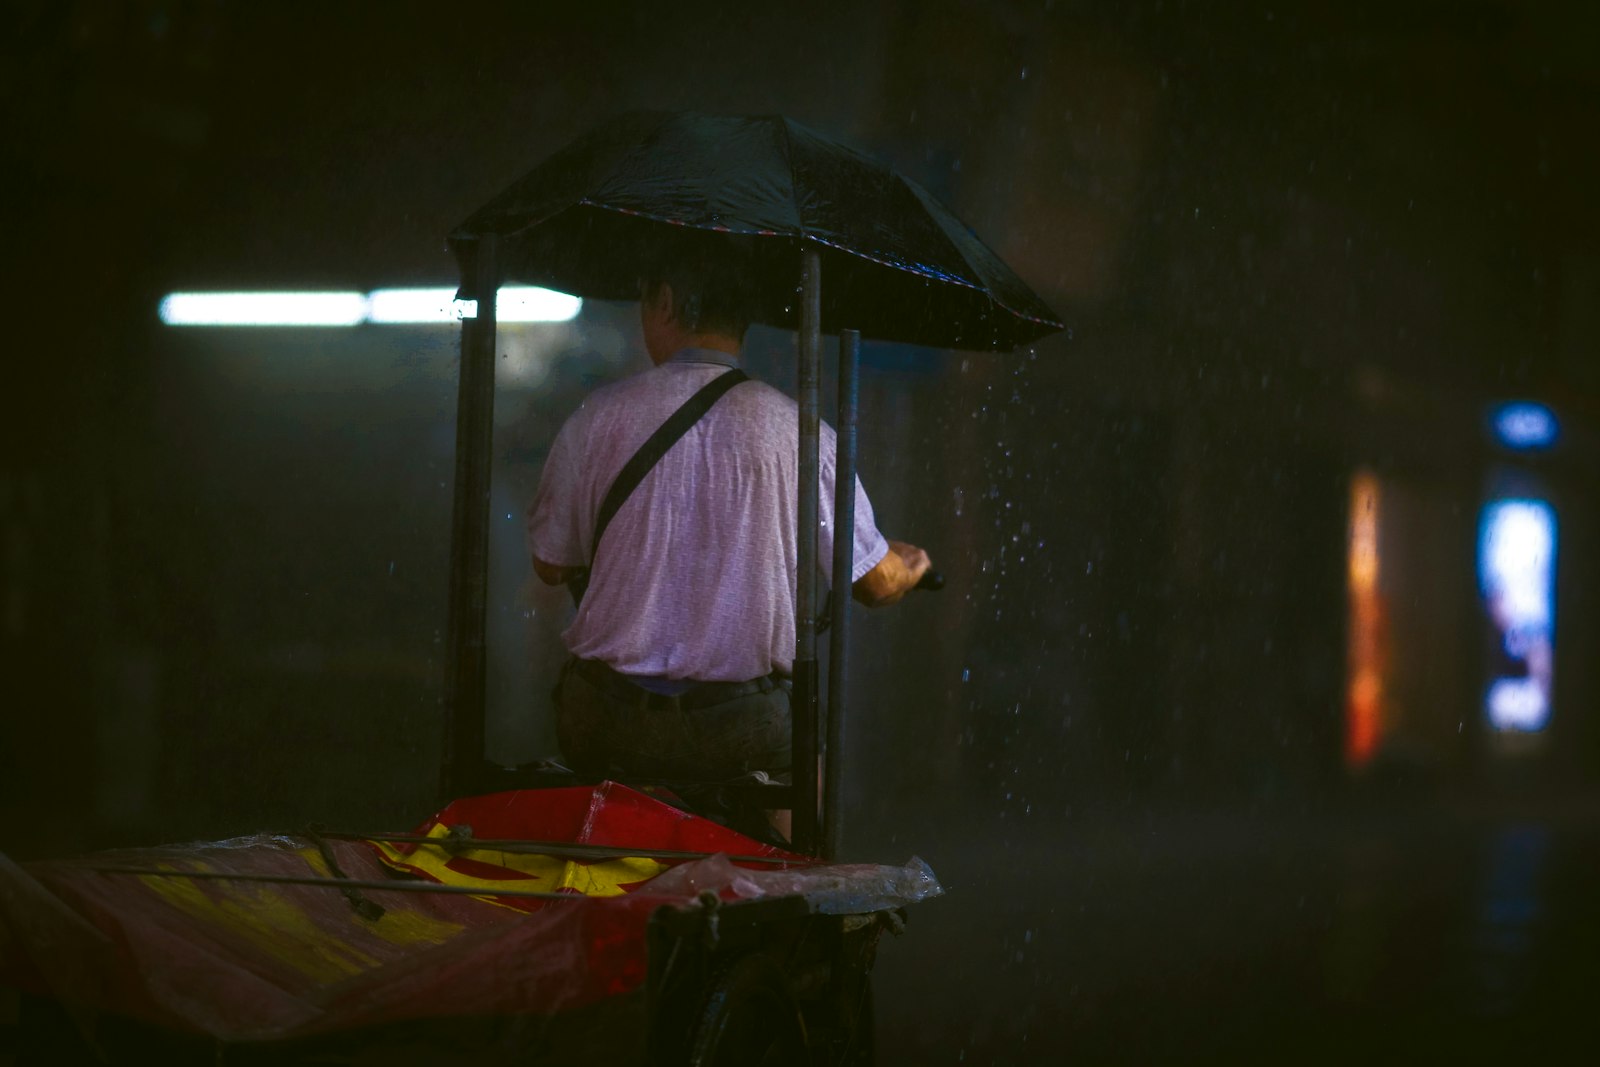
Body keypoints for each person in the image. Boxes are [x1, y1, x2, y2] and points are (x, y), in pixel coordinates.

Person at [526, 245, 930, 838]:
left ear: (663, 302)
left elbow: (549, 564)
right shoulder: (799, 430)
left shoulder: (597, 417)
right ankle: (794, 886)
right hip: (738, 730)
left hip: (607, 720)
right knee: (800, 809)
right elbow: (872, 582)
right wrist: (911, 565)